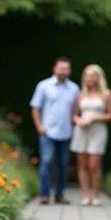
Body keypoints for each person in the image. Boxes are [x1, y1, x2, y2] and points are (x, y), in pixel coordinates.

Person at [30, 57, 79, 205]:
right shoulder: (44, 86)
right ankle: (44, 194)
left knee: (64, 165)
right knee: (46, 162)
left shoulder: (74, 88)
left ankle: (59, 194)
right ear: (54, 69)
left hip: (66, 132)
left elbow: (76, 110)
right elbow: (35, 107)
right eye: (61, 68)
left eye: (66, 69)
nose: (63, 71)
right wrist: (39, 126)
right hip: (48, 132)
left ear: (69, 71)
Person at [70, 64, 111, 206]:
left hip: (98, 131)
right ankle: (86, 195)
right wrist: (79, 121)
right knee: (82, 166)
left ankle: (96, 195)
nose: (89, 78)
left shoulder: (107, 94)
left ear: (98, 77)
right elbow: (74, 115)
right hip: (81, 131)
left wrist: (94, 118)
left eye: (92, 76)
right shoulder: (80, 94)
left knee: (94, 165)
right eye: (87, 76)